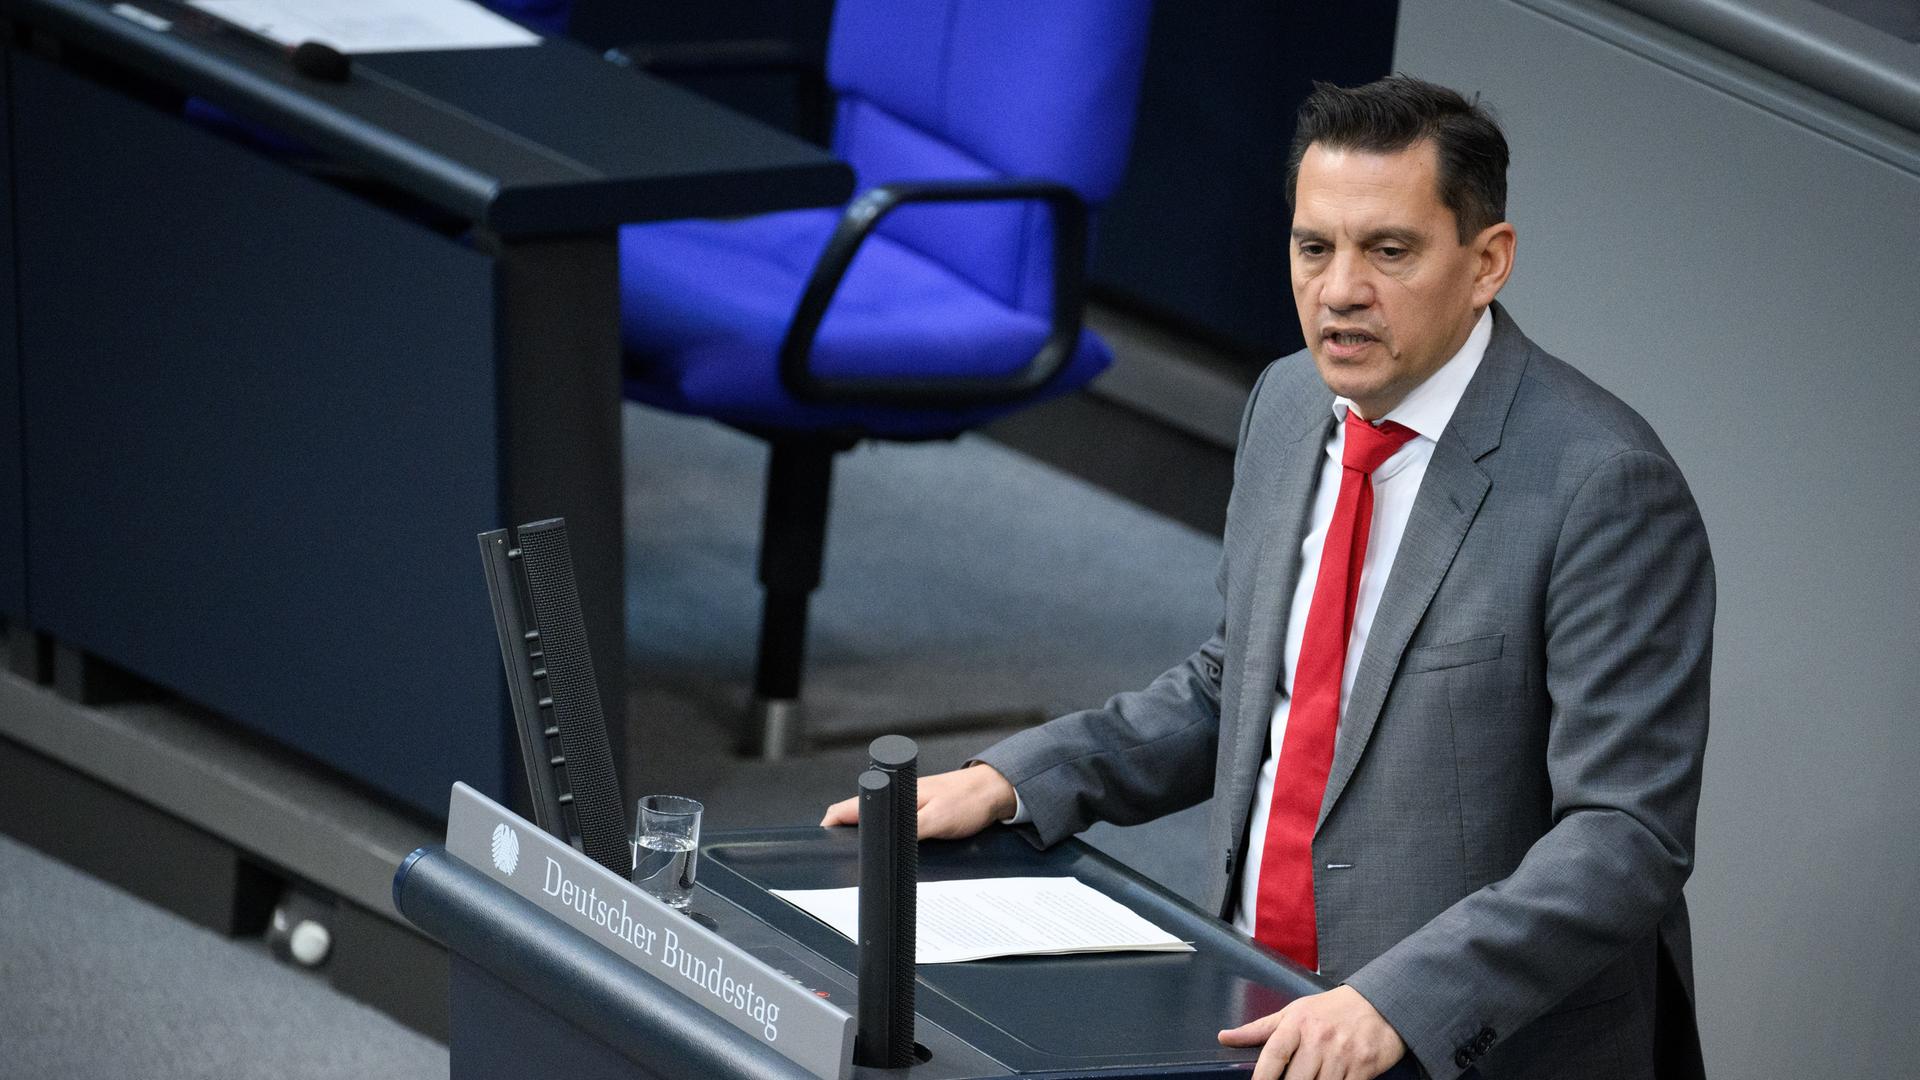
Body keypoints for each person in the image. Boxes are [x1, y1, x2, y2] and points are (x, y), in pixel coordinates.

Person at [823, 75, 1713, 1080]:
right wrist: (1021, 779)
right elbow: (1240, 679)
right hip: (1248, 1004)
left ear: (1486, 263)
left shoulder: (1603, 488)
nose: (1339, 291)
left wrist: (1397, 1001)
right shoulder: (1290, 403)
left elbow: (1622, 839)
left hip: (1458, 1044)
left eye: (1389, 250)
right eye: (1313, 246)